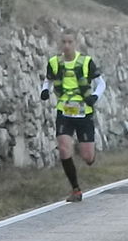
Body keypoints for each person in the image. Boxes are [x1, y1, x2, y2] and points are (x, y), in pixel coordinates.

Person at [40, 29, 106, 202]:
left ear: (75, 43)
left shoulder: (86, 62)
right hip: (65, 111)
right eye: (63, 42)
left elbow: (101, 83)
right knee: (63, 148)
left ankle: (82, 148)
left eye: (70, 42)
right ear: (59, 43)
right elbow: (48, 79)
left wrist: (95, 97)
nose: (66, 45)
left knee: (88, 157)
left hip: (84, 113)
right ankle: (75, 189)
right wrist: (44, 91)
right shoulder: (54, 63)